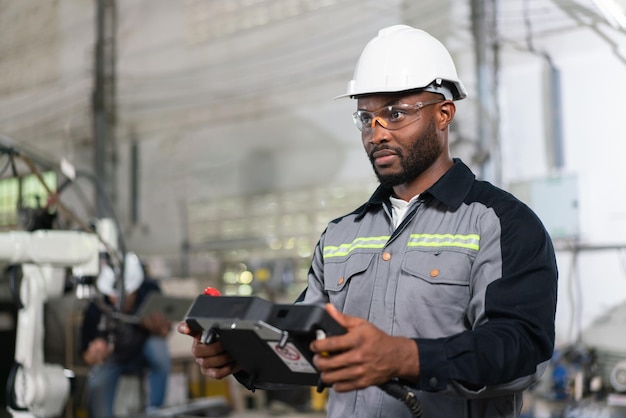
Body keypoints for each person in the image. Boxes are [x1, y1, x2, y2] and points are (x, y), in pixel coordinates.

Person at [177, 24, 558, 418]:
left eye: (395, 113)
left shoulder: (500, 223)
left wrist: (405, 357)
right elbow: (308, 352)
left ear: (444, 114)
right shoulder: (341, 235)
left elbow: (521, 350)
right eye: (365, 117)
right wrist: (242, 356)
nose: (376, 134)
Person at [81, 252, 172, 417]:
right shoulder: (96, 307)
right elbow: (85, 355)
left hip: (142, 351)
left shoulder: (150, 292)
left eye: (125, 296)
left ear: (136, 288)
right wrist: (95, 353)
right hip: (113, 358)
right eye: (113, 296)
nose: (118, 301)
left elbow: (166, 330)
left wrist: (158, 328)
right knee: (97, 382)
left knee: (159, 350)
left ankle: (156, 411)